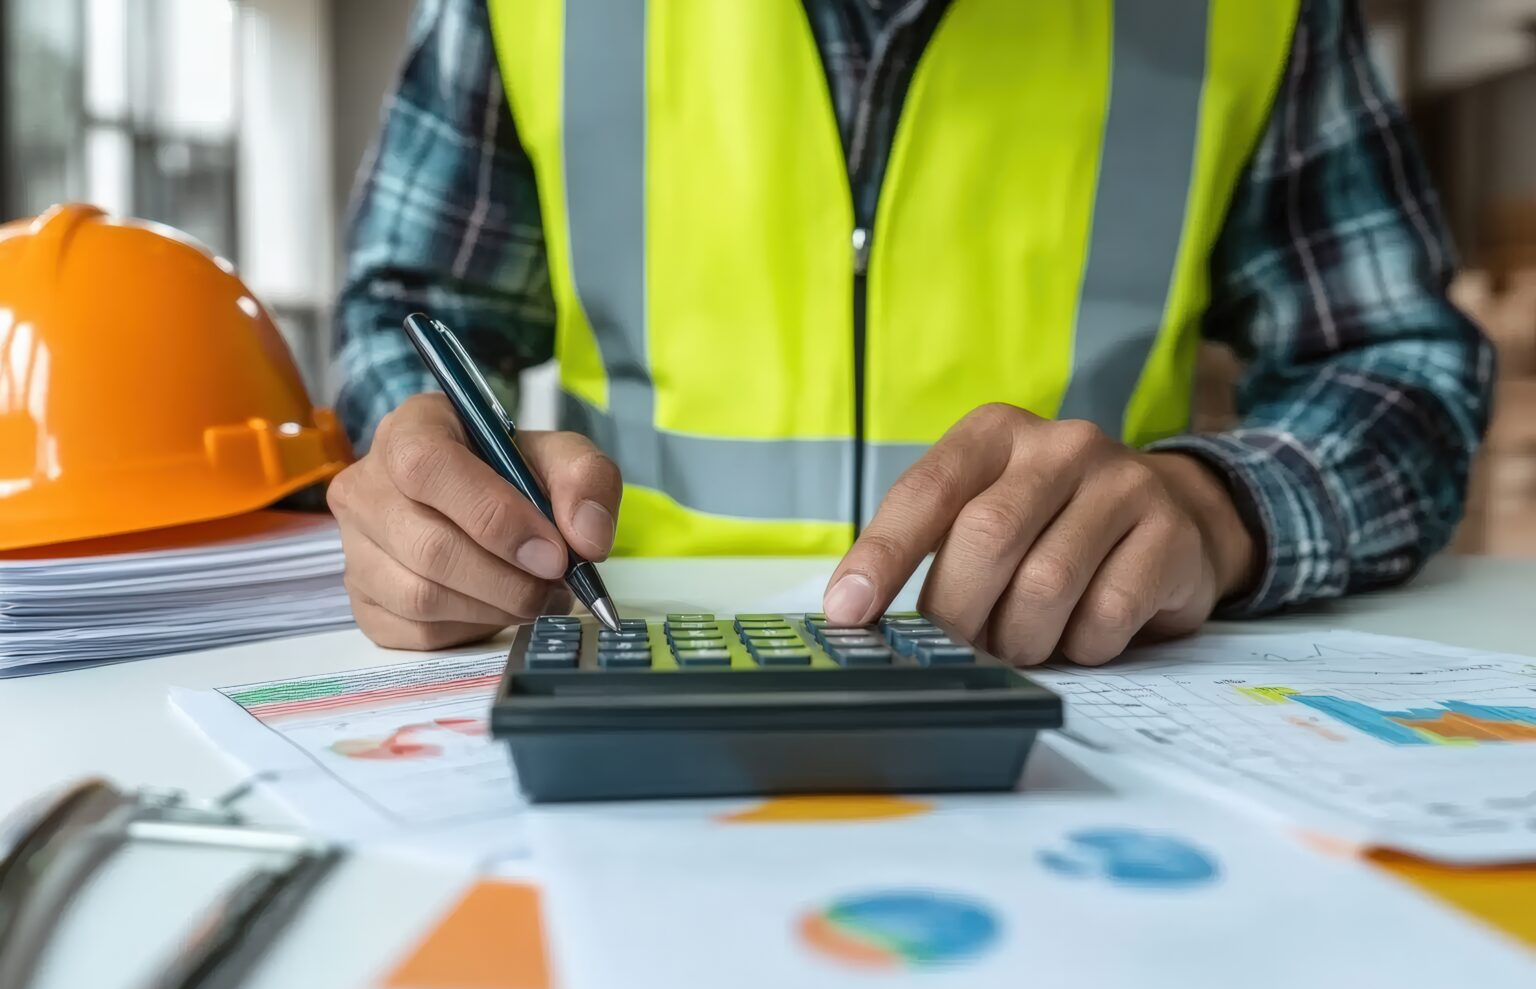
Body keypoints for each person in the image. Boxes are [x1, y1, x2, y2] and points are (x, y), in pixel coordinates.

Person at [328, 0, 1488, 666]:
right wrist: (437, 494)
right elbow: (412, 311)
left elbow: (1396, 366)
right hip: (624, 647)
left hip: (1088, 669)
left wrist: (1215, 510)